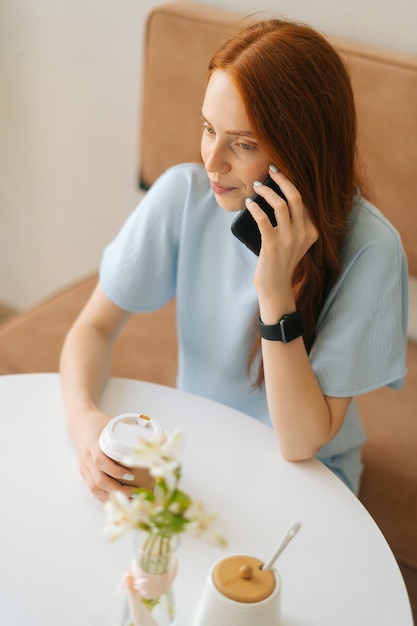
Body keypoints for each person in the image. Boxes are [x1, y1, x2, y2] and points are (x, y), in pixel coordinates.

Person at [60, 17, 408, 502]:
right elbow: (91, 330)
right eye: (208, 129)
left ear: (301, 153)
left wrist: (274, 289)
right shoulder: (185, 196)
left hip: (312, 479)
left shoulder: (371, 248)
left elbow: (301, 442)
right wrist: (84, 423)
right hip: (198, 448)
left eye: (243, 144)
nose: (212, 161)